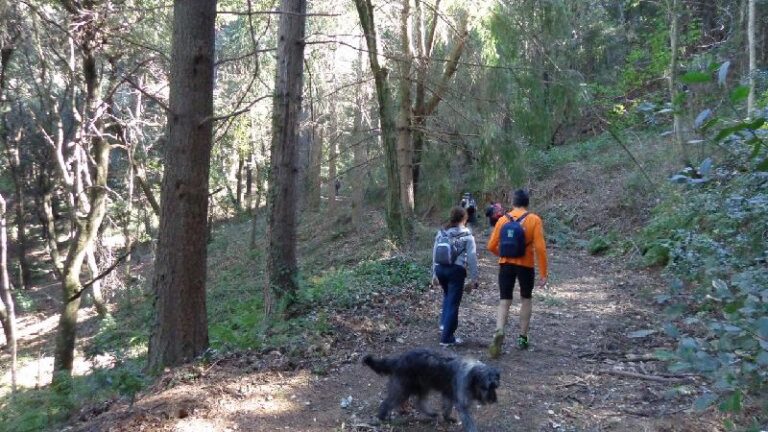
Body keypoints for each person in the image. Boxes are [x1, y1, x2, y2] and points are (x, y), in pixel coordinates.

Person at [486, 189, 548, 357]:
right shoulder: (534, 219)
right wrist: (543, 273)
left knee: (504, 300)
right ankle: (523, 338)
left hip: (506, 264)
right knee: (526, 299)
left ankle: (499, 331)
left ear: (513, 203)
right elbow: (540, 248)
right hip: (526, 265)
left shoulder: (502, 220)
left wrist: (503, 254)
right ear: (527, 203)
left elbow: (490, 246)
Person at [431, 206, 479, 347]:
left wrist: (434, 273)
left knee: (447, 296)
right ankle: (447, 338)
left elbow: (434, 253)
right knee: (453, 302)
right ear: (464, 219)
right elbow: (472, 257)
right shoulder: (467, 235)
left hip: (441, 269)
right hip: (456, 271)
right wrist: (474, 278)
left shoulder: (441, 233)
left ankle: (443, 325)